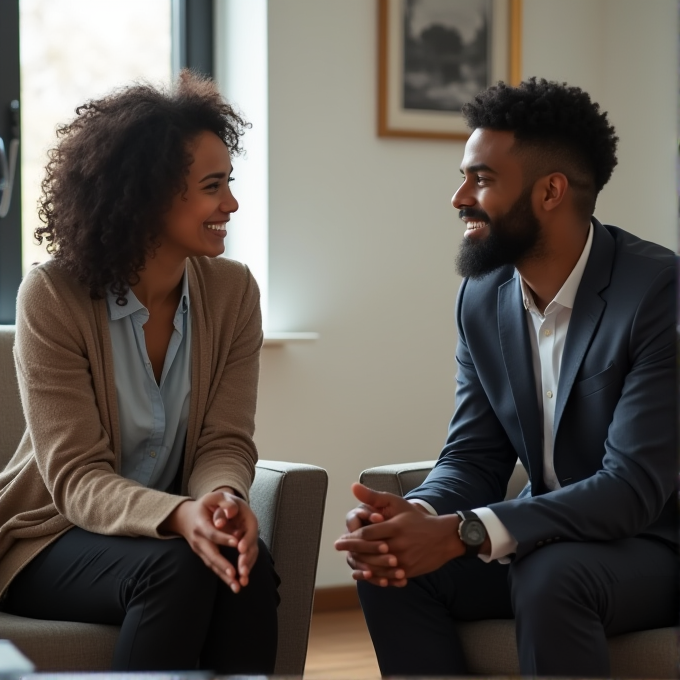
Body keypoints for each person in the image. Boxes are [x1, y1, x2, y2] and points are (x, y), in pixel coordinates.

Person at [335, 78, 677, 677]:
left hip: (655, 543)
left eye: (482, 179)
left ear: (550, 191)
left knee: (553, 576)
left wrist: (465, 531)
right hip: (547, 534)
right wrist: (417, 516)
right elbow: (473, 456)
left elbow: (631, 488)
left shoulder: (656, 292)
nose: (459, 196)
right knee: (390, 567)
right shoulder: (482, 297)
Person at [0, 71, 279, 673]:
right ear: (149, 194)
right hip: (48, 537)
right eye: (213, 186)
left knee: (247, 566)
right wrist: (180, 516)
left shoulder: (233, 292)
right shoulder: (51, 295)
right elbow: (74, 478)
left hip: (168, 534)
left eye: (228, 183)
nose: (230, 204)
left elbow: (224, 440)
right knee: (178, 566)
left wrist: (222, 501)